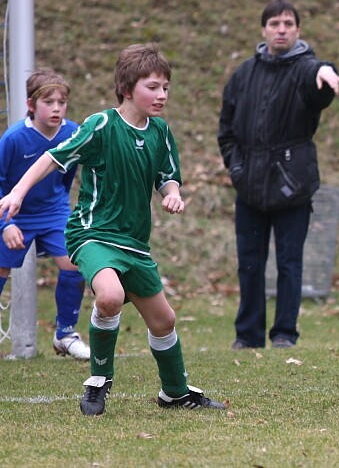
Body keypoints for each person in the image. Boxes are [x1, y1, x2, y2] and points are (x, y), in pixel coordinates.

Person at [0, 44, 225, 416]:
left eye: (165, 87)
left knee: (164, 320)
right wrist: (18, 193)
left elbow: (167, 177)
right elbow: (53, 158)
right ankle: (98, 381)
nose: (162, 95)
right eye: (152, 87)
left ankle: (174, 392)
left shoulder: (160, 132)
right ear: (126, 88)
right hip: (93, 233)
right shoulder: (101, 125)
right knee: (109, 296)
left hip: (133, 242)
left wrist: (173, 195)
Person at [218, 0, 339, 350]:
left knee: (290, 263)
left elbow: (317, 84)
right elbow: (226, 131)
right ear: (264, 29)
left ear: (298, 30)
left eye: (288, 24)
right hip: (249, 186)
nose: (281, 30)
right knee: (249, 264)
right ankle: (248, 335)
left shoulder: (305, 69)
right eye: (275, 23)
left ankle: (285, 334)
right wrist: (237, 168)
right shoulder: (243, 74)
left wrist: (326, 71)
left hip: (293, 185)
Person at [0, 69, 89, 360]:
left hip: (53, 211)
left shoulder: (72, 132)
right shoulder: (13, 139)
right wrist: (5, 225)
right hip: (13, 214)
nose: (56, 109)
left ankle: (65, 334)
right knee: (1, 270)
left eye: (62, 102)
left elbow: (67, 176)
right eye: (48, 102)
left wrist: (60, 203)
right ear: (31, 104)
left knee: (74, 263)